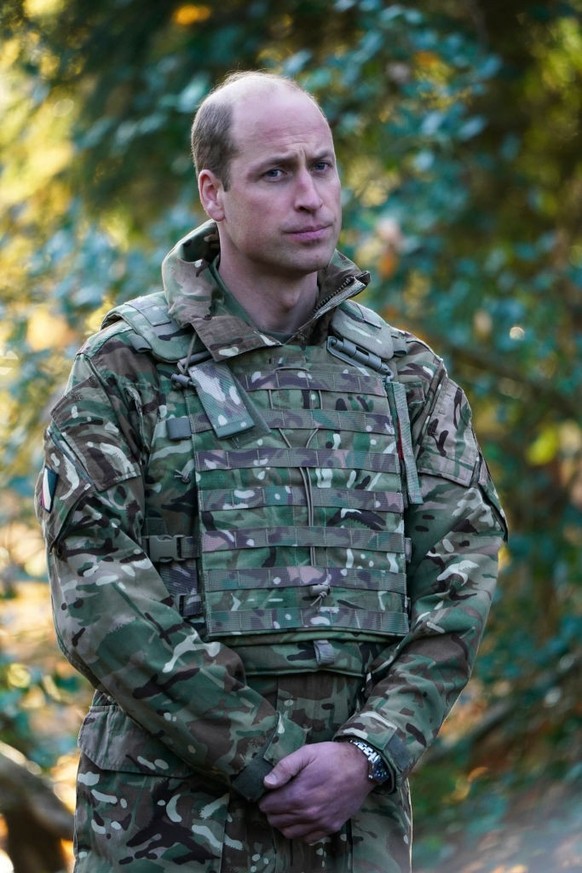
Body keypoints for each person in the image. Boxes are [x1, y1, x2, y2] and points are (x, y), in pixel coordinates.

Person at [37, 70, 507, 873]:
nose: (311, 197)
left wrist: (366, 753)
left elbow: (461, 577)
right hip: (169, 823)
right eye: (276, 172)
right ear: (213, 192)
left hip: (351, 825)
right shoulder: (126, 367)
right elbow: (96, 590)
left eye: (322, 166)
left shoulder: (406, 377)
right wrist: (270, 759)